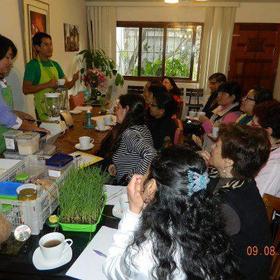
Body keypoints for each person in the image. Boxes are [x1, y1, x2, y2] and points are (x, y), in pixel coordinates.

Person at [103, 146, 238, 279]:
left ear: (151, 187)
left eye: (147, 173)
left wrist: (133, 212)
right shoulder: (209, 228)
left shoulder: (146, 256)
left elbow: (111, 269)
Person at [203, 123, 272, 280]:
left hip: (237, 273)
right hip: (224, 261)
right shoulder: (233, 178)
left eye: (217, 145)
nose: (212, 147)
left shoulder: (231, 203)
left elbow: (203, 242)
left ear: (228, 162)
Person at [0, 34, 47, 153]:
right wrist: (33, 128)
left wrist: (20, 114)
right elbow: (4, 116)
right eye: (7, 57)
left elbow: (3, 109)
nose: (11, 63)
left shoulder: (2, 81)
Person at [23, 32, 79, 121]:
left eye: (51, 44)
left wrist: (74, 80)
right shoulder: (32, 65)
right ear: (37, 47)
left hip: (59, 109)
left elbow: (67, 86)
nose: (50, 48)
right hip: (43, 111)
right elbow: (26, 89)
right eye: (46, 44)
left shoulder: (55, 65)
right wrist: (48, 84)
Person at [108, 93, 156, 185]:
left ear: (126, 110)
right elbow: (134, 157)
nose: (115, 112)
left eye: (118, 108)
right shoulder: (143, 127)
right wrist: (117, 167)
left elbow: (151, 154)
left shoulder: (130, 134)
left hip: (127, 189)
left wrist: (131, 178)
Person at [253, 100, 280, 197]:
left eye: (254, 126)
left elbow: (257, 199)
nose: (250, 129)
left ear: (268, 131)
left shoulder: (275, 164)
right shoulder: (264, 148)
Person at [147, 85, 177, 150]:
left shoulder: (166, 126)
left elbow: (156, 146)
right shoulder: (155, 119)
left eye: (153, 105)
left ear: (161, 111)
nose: (149, 106)